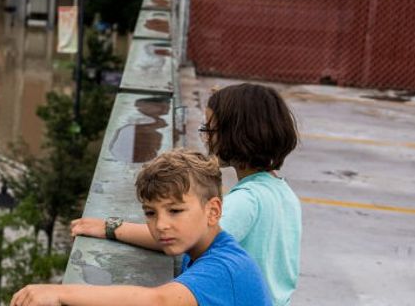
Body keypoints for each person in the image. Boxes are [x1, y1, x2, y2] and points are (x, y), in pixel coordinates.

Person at [70, 83, 301, 306]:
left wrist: (111, 228)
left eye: (210, 129)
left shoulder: (247, 200)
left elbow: (179, 235)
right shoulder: (282, 191)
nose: (207, 138)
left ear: (238, 134)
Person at [11, 149, 271, 306]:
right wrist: (110, 228)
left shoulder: (223, 268)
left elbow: (158, 301)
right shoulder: (206, 246)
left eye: (175, 211)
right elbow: (161, 238)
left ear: (212, 211)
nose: (161, 225)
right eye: (150, 213)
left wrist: (58, 292)